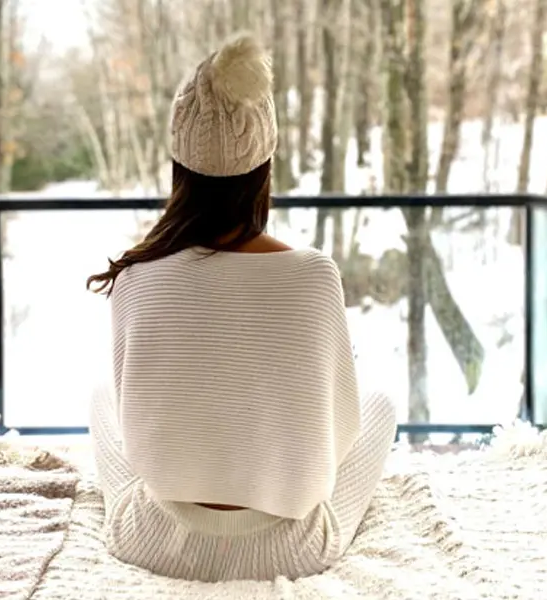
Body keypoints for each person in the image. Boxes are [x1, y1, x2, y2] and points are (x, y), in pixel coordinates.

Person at [86, 33, 395, 583]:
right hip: (291, 549)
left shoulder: (136, 276)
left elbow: (138, 438)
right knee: (380, 406)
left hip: (155, 540)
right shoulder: (313, 275)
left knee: (100, 398)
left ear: (179, 166)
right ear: (264, 166)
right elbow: (338, 434)